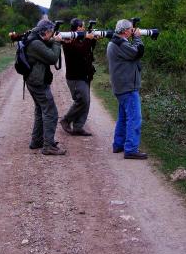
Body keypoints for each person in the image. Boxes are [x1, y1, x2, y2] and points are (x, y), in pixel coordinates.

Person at [106, 19, 148, 159]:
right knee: (135, 118)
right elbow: (137, 53)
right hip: (127, 87)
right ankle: (131, 149)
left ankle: (119, 144)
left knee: (124, 117)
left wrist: (134, 37)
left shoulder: (115, 41)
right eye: (131, 29)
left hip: (121, 86)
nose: (133, 31)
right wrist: (137, 39)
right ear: (124, 31)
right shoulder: (120, 43)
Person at [25, 19, 65, 155]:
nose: (52, 35)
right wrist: (57, 42)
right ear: (46, 31)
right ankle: (48, 145)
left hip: (33, 80)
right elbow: (53, 57)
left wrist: (53, 41)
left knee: (40, 110)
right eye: (51, 33)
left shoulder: (34, 37)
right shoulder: (35, 43)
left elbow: (46, 45)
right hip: (37, 82)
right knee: (51, 112)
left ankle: (36, 141)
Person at [59, 18, 97, 136]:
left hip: (84, 75)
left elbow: (87, 50)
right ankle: (66, 119)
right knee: (82, 100)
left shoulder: (80, 39)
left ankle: (78, 127)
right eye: (83, 26)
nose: (84, 29)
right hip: (75, 77)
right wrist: (87, 39)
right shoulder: (68, 39)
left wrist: (93, 40)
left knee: (87, 101)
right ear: (78, 28)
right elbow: (80, 51)